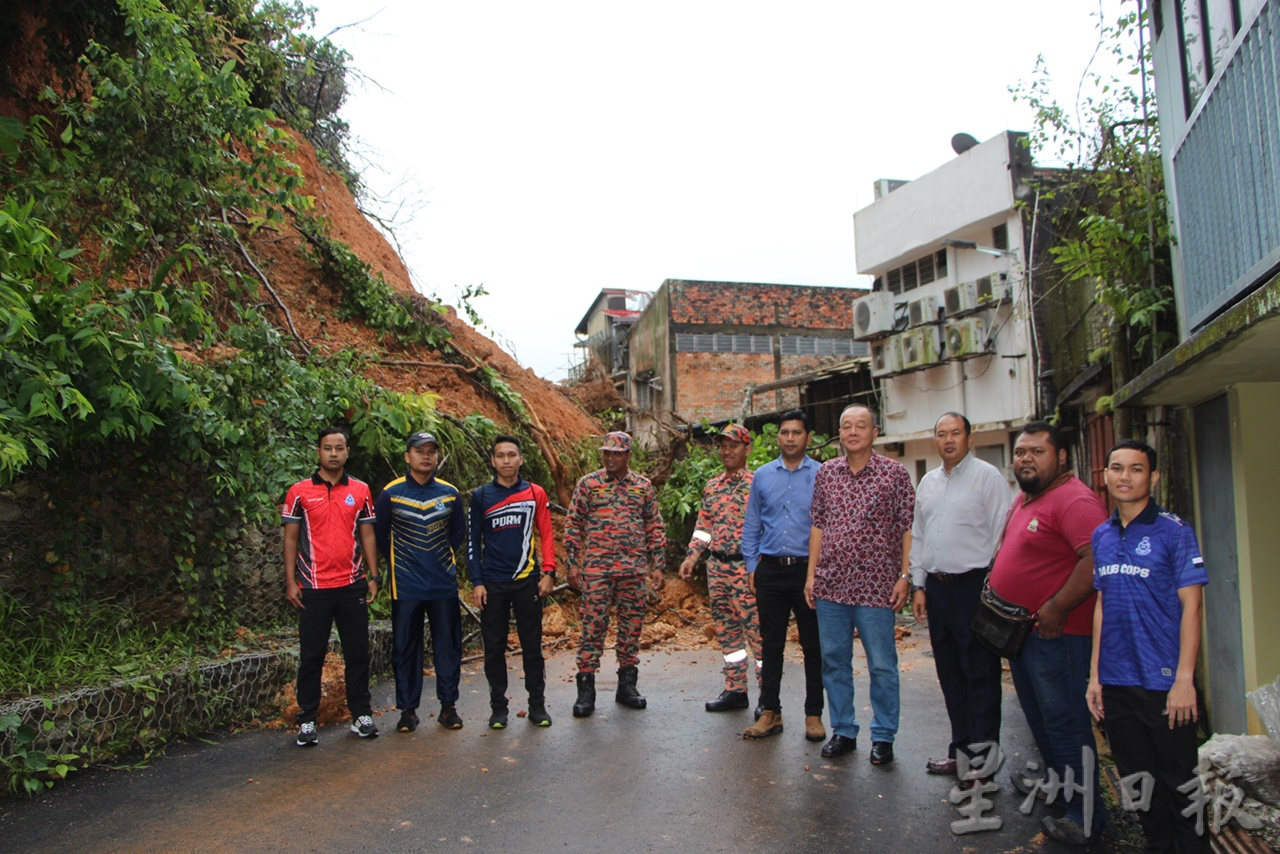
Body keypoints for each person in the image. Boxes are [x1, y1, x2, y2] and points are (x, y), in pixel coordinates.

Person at [988, 421, 1108, 845]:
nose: (1025, 459)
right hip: (1024, 635)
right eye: (1021, 452)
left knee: (1066, 723)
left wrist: (1057, 606)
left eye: (1037, 452)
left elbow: (1095, 560)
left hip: (1059, 635)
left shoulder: (1076, 500)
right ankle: (1063, 791)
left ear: (1060, 457)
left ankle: (1085, 816)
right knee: (1042, 720)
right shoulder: (1028, 497)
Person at [1086, 440, 1209, 853]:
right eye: (1117, 468)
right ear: (1105, 477)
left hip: (1165, 683)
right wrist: (1095, 676)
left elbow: (1192, 607)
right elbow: (1101, 606)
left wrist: (1185, 679)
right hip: (1118, 683)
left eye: (1136, 469)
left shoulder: (1174, 532)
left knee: (1180, 783)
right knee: (1138, 782)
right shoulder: (1101, 536)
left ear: (1152, 477)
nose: (1125, 477)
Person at [805, 404, 914, 764]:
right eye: (846, 426)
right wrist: (811, 575)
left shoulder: (893, 474)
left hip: (876, 587)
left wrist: (904, 575)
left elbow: (906, 527)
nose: (853, 432)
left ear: (874, 432)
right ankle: (844, 730)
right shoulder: (827, 473)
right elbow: (818, 525)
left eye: (860, 426)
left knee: (881, 664)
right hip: (831, 585)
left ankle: (883, 736)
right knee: (834, 661)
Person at [909, 412, 1009, 779]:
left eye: (955, 433)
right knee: (950, 674)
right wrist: (918, 583)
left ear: (969, 438)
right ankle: (960, 751)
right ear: (934, 439)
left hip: (974, 586)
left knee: (980, 675)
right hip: (937, 588)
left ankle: (984, 760)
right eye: (941, 434)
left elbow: (1002, 535)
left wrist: (993, 589)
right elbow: (919, 536)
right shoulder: (928, 483)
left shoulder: (988, 478)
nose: (948, 440)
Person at [281, 426, 380, 746]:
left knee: (357, 653)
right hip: (313, 586)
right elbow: (291, 538)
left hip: (352, 585)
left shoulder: (362, 490)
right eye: (328, 448)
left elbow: (367, 535)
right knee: (311, 655)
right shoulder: (299, 492)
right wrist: (291, 582)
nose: (334, 453)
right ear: (318, 452)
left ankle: (361, 714)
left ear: (347, 452)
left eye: (339, 448)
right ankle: (307, 719)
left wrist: (373, 576)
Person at [565, 431, 666, 717]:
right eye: (607, 452)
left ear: (628, 456)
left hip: (633, 571)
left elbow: (654, 526)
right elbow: (573, 524)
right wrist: (572, 562)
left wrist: (658, 564)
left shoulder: (642, 486)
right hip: (597, 570)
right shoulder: (589, 484)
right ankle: (586, 689)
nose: (610, 458)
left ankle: (627, 686)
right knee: (592, 629)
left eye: (617, 453)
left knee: (631, 629)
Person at [374, 431, 468, 733]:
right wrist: (403, 563)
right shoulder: (390, 493)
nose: (425, 456)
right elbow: (380, 536)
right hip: (406, 586)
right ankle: (407, 710)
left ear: (437, 456)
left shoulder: (450, 494)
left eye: (431, 451)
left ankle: (448, 707)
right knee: (405, 648)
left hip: (443, 585)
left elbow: (457, 535)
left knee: (448, 647)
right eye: (419, 450)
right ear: (407, 456)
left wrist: (439, 562)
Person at [741, 409, 825, 743]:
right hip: (771, 570)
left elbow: (827, 526)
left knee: (813, 646)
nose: (790, 438)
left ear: (808, 437)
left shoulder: (823, 474)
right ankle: (769, 712)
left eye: (797, 432)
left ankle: (814, 714)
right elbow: (752, 524)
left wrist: (819, 572)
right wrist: (752, 566)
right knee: (770, 645)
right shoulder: (762, 476)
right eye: (785, 432)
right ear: (778, 437)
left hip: (808, 572)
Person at [469, 435, 558, 730]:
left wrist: (549, 572)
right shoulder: (481, 496)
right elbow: (472, 542)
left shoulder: (535, 493)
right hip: (492, 583)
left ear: (521, 459)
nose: (506, 460)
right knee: (494, 647)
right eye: (500, 455)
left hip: (527, 582)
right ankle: (498, 708)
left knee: (532, 646)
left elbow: (546, 533)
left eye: (512, 455)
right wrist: (477, 581)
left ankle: (537, 705)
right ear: (493, 461)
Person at [678, 424, 763, 713]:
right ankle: (735, 690)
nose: (726, 451)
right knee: (728, 634)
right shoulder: (712, 486)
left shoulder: (758, 484)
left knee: (759, 635)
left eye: (733, 445)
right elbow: (704, 527)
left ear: (747, 449)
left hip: (747, 569)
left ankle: (768, 698)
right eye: (722, 446)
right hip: (717, 569)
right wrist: (692, 557)